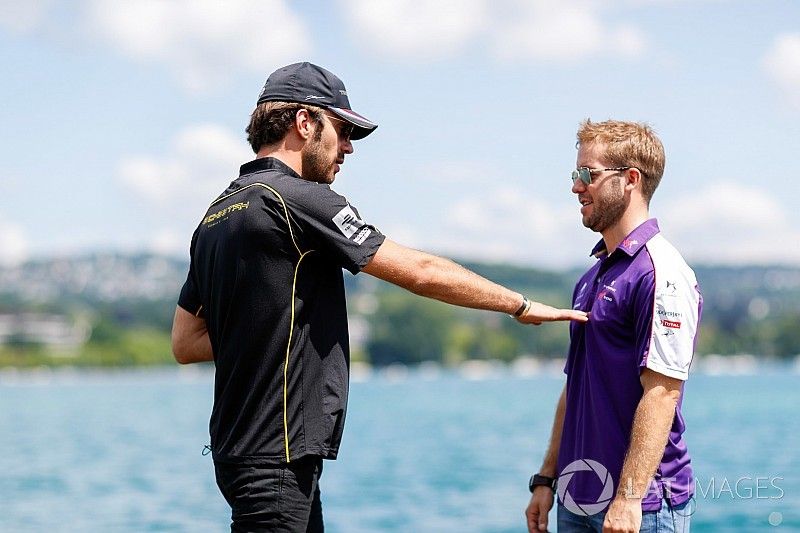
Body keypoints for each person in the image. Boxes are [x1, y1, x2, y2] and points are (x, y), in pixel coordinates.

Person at [171, 61, 587, 532]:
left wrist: (266, 326)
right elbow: (422, 272)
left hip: (239, 453)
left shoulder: (215, 215)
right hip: (278, 457)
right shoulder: (298, 198)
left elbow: (185, 342)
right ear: (305, 123)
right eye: (343, 130)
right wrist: (520, 306)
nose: (347, 147)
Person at [524, 120, 702, 533]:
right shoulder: (591, 277)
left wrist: (629, 498)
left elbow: (662, 394)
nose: (576, 186)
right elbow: (576, 386)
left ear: (630, 180)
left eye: (588, 174)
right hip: (576, 497)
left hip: (642, 508)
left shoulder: (662, 273)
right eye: (575, 174)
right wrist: (546, 478)